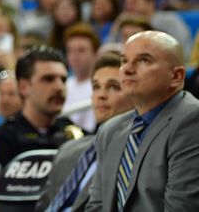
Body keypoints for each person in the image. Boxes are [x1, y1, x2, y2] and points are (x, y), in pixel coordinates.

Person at [85, 31, 199, 211]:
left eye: (144, 60)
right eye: (124, 61)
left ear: (176, 76)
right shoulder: (110, 130)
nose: (128, 69)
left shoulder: (192, 120)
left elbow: (182, 207)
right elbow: (97, 206)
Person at [36, 51, 133, 212]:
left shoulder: (137, 155)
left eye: (114, 87)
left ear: (134, 95)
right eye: (96, 87)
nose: (101, 95)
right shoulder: (68, 150)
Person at [0, 46, 80, 167]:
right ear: (23, 87)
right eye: (48, 79)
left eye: (63, 80)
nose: (59, 87)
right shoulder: (4, 141)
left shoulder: (72, 133)